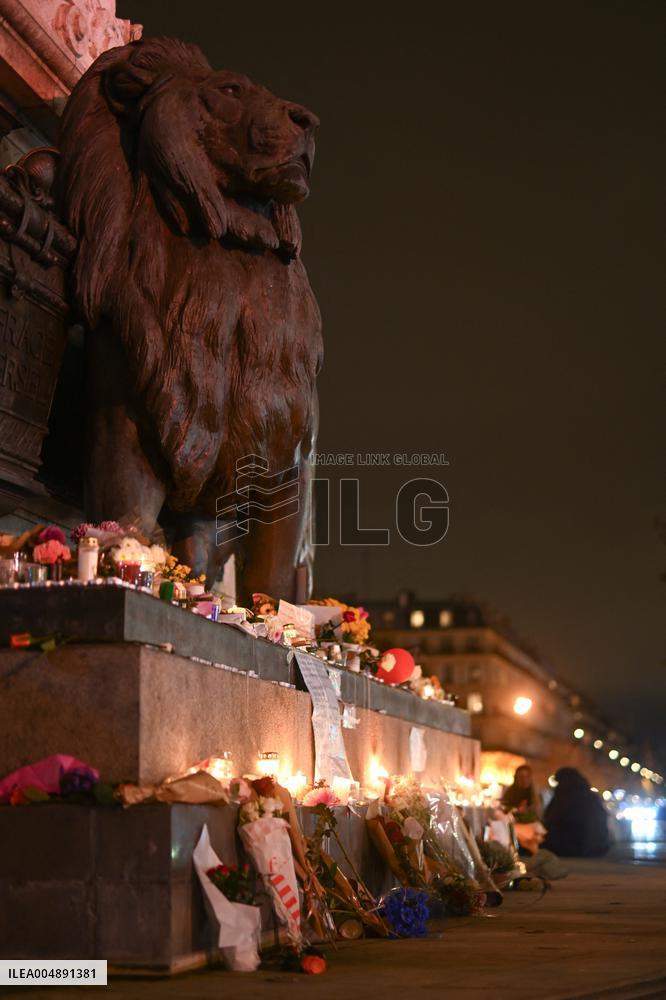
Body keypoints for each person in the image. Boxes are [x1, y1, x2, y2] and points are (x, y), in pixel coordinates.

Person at [543, 767, 610, 857]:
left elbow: (551, 819)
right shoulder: (591, 797)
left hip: (569, 848)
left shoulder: (563, 797)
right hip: (597, 848)